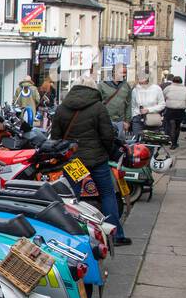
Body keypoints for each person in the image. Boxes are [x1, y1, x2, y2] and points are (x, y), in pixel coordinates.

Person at [51, 74, 130, 245]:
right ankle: (115, 235)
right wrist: (109, 153)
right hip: (97, 159)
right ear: (93, 88)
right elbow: (107, 135)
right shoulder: (98, 107)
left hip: (73, 161)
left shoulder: (62, 107)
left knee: (73, 198)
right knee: (108, 195)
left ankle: (76, 235)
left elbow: (55, 138)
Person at [162, 75, 186, 149]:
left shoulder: (168, 88)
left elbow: (162, 98)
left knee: (171, 126)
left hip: (170, 109)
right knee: (177, 127)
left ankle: (172, 143)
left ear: (173, 81)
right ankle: (175, 142)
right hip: (180, 110)